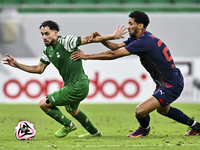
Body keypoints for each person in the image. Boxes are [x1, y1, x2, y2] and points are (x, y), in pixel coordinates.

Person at [70, 10, 200, 137]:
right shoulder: (139, 38)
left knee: (140, 111)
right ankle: (196, 126)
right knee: (163, 110)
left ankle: (144, 130)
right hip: (167, 81)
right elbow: (114, 47)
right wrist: (102, 38)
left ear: (140, 26)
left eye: (131, 23)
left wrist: (86, 56)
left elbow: (113, 54)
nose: (128, 27)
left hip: (171, 84)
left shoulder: (143, 42)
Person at [2, 20, 126, 138]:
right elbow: (39, 69)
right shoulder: (47, 50)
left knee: (43, 104)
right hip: (72, 85)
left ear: (55, 33)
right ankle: (95, 133)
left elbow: (89, 39)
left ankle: (69, 125)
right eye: (42, 34)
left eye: (47, 33)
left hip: (78, 85)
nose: (44, 37)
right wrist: (17, 65)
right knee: (72, 110)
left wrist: (112, 36)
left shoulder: (67, 41)